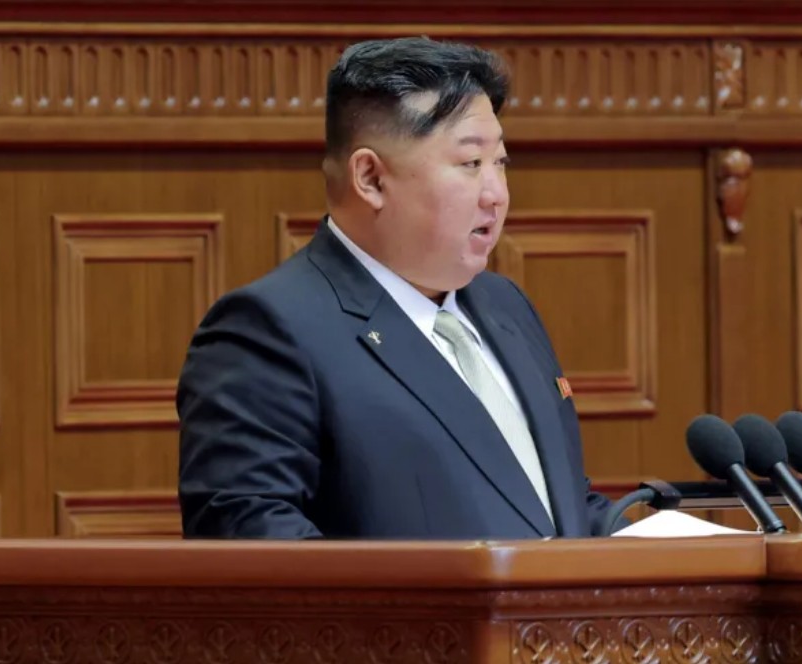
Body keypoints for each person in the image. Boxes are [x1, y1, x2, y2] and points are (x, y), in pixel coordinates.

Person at [175, 37, 626, 539]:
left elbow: (555, 507)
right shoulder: (267, 332)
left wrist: (654, 541)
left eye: (500, 162)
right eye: (470, 164)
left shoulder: (506, 305)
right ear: (370, 178)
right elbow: (252, 541)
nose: (496, 194)